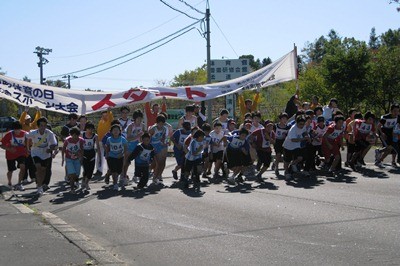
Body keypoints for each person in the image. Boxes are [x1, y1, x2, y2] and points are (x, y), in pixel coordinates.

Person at [26, 117, 58, 195]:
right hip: (35, 153)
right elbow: (26, 137)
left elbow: (54, 144)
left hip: (45, 154)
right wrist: (27, 148)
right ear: (38, 126)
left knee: (43, 171)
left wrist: (50, 149)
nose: (43, 127)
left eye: (44, 125)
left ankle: (40, 184)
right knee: (39, 167)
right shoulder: (33, 132)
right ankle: (39, 187)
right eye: (41, 125)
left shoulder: (49, 133)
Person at [0, 121, 27, 191]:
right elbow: (1, 145)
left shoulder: (25, 134)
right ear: (13, 129)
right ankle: (9, 182)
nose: (17, 131)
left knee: (23, 167)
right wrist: (9, 149)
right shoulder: (9, 134)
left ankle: (19, 183)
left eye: (18, 129)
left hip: (21, 153)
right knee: (11, 170)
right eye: (15, 130)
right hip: (10, 154)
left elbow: (30, 141)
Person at [282, 115, 310, 181]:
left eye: (303, 124)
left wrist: (307, 136)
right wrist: (303, 139)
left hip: (297, 146)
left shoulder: (303, 126)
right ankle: (287, 173)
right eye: (300, 124)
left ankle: (293, 164)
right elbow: (293, 139)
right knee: (287, 161)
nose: (302, 126)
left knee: (300, 158)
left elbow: (304, 131)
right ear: (296, 123)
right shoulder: (293, 129)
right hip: (288, 146)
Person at [20, 106, 41, 184]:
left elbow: (37, 119)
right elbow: (21, 120)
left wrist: (38, 111)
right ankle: (24, 178)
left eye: (29, 119)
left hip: (32, 147)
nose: (29, 120)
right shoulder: (22, 126)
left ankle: (32, 177)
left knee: (32, 163)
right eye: (27, 119)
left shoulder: (32, 126)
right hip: (24, 147)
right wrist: (25, 111)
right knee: (25, 163)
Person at [124, 110, 146, 183]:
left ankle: (136, 176)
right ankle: (123, 176)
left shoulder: (142, 125)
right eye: (138, 118)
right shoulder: (130, 126)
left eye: (141, 118)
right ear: (135, 118)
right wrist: (137, 136)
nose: (140, 120)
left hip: (138, 145)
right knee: (127, 161)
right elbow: (128, 138)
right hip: (130, 145)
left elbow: (143, 135)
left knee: (138, 162)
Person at [105, 124, 128, 191]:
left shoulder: (122, 139)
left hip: (120, 157)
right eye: (114, 130)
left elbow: (126, 148)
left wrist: (123, 155)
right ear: (111, 132)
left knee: (119, 171)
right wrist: (107, 154)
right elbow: (107, 147)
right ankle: (115, 184)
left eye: (117, 130)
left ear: (120, 131)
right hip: (111, 157)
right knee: (114, 171)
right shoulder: (109, 139)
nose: (115, 131)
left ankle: (107, 175)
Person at [376, 103, 400, 168]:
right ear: (391, 111)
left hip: (392, 133)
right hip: (384, 133)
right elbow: (378, 126)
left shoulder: (398, 117)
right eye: (395, 111)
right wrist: (382, 133)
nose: (396, 112)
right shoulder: (385, 117)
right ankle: (379, 158)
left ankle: (392, 161)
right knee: (390, 148)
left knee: (393, 147)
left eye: (398, 111)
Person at [61, 127, 84, 193]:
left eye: (76, 135)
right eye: (73, 135)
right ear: (71, 134)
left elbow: (82, 150)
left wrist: (81, 157)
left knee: (77, 174)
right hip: (69, 159)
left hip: (77, 159)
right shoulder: (67, 140)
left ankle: (76, 180)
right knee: (72, 174)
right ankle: (72, 189)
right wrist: (63, 159)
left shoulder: (81, 140)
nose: (75, 137)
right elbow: (63, 149)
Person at [149, 115, 168, 184]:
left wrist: (164, 143)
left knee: (162, 161)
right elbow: (148, 138)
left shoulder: (164, 129)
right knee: (157, 163)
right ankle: (154, 176)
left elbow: (163, 137)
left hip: (160, 145)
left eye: (162, 124)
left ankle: (158, 175)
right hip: (153, 146)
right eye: (159, 123)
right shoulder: (153, 129)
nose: (161, 125)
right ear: (157, 123)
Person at [82, 122, 101, 190]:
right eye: (89, 129)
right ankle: (84, 179)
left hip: (92, 153)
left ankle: (87, 183)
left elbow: (98, 147)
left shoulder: (95, 136)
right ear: (86, 129)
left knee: (91, 170)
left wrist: (100, 157)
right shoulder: (82, 134)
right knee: (86, 169)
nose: (90, 130)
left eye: (91, 129)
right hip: (84, 154)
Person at [96, 107, 114, 176]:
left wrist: (109, 111)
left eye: (105, 114)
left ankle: (109, 170)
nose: (104, 116)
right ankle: (99, 170)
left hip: (108, 141)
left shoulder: (110, 120)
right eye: (102, 115)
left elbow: (110, 117)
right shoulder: (101, 121)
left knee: (108, 156)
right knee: (99, 156)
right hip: (100, 141)